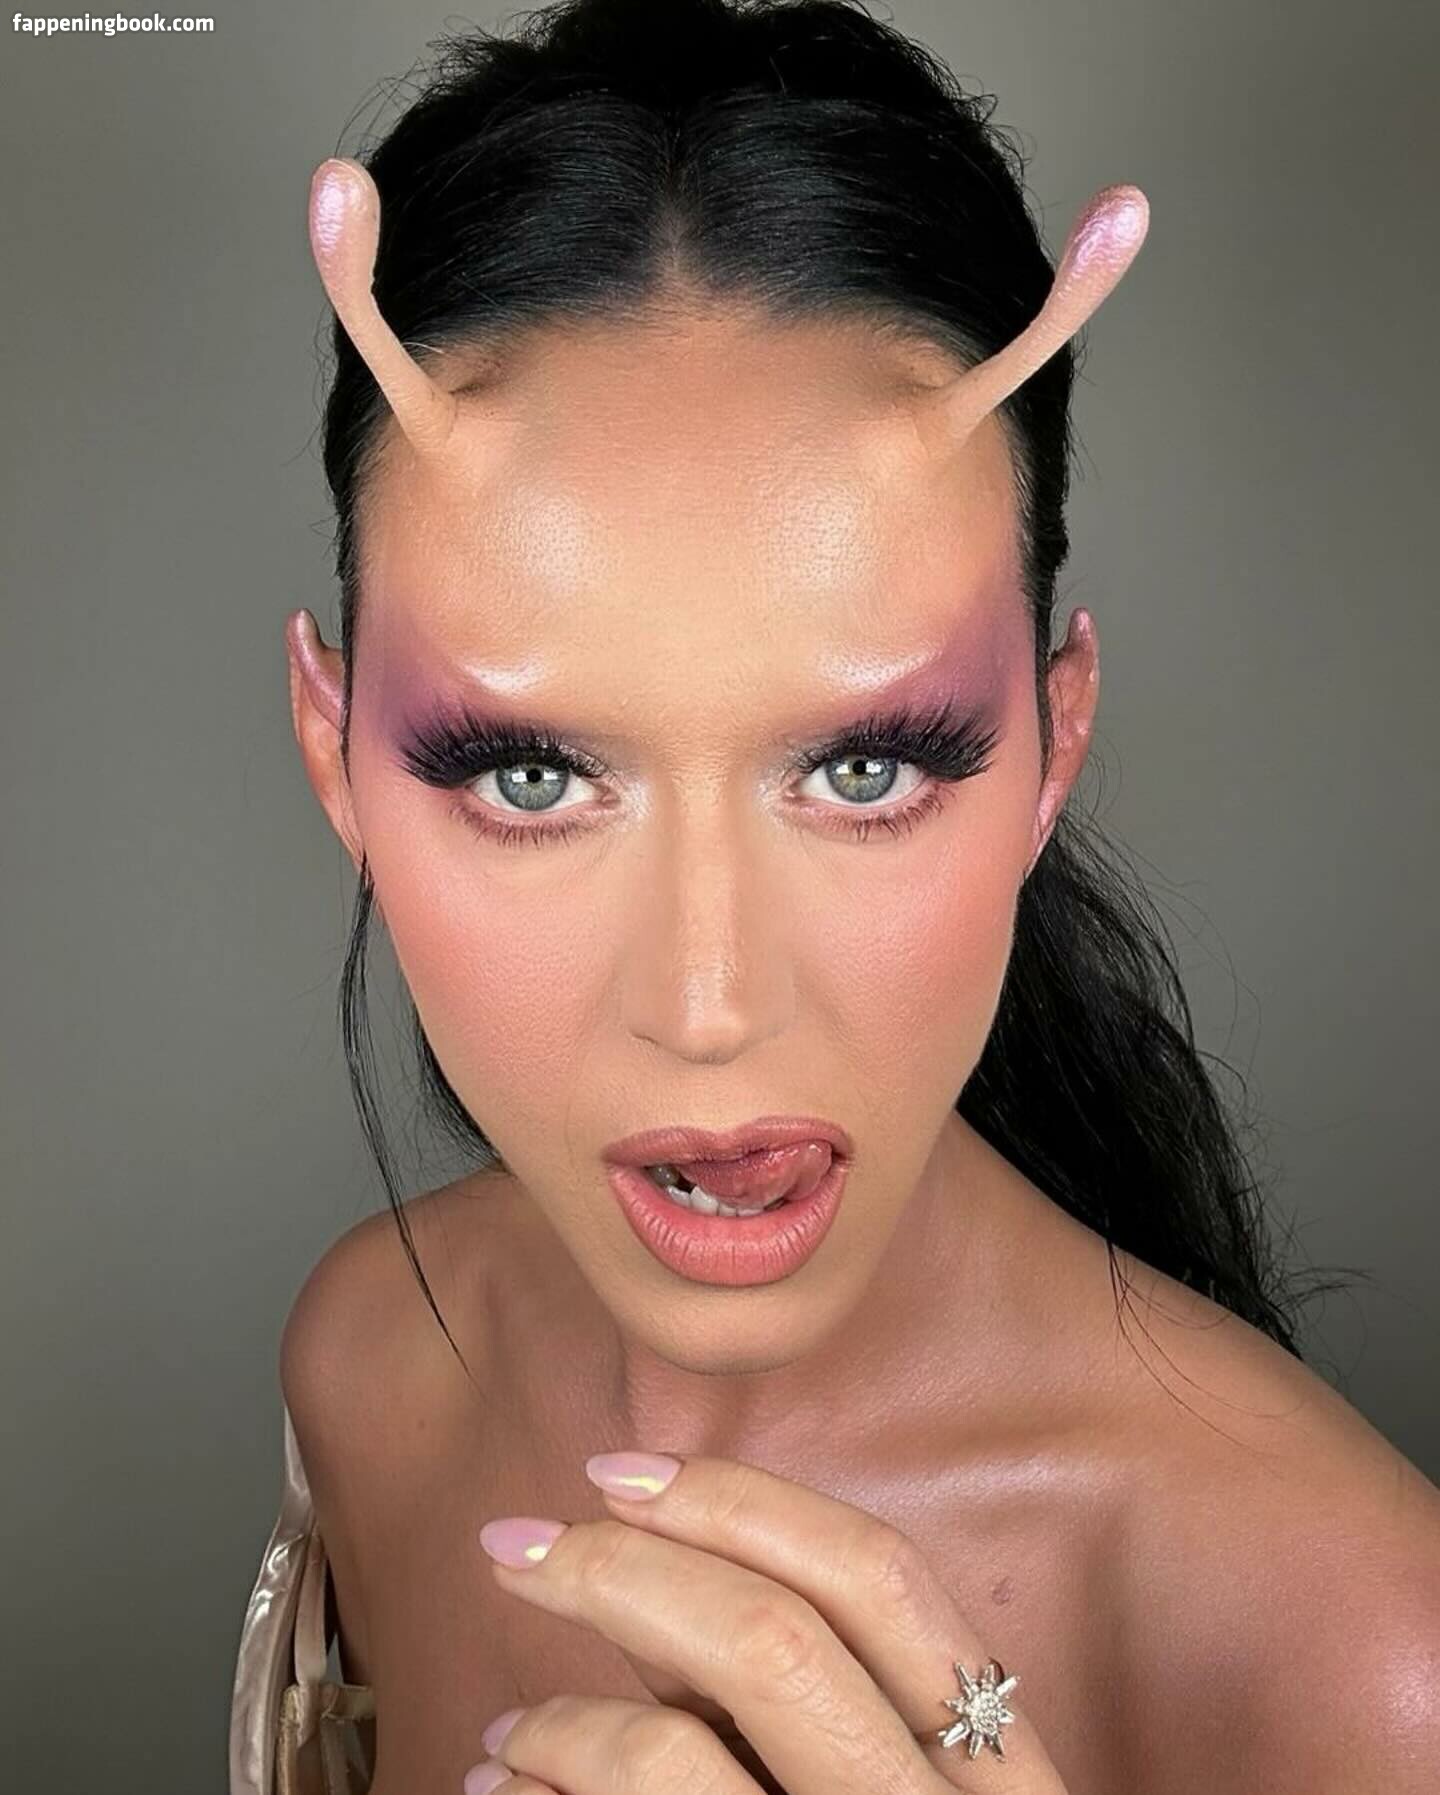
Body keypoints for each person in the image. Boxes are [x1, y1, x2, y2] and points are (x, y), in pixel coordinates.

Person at [238, 2, 1440, 1791]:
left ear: (1055, 741)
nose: (710, 1003)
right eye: (533, 777)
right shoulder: (368, 1363)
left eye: (865, 770)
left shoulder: (1361, 1664)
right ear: (334, 757)